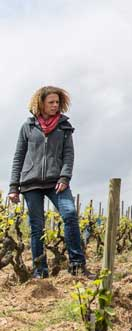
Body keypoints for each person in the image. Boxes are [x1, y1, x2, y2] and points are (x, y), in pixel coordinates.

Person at [7, 86, 93, 278]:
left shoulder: (64, 127)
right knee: (37, 227)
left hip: (57, 182)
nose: (55, 105)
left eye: (57, 102)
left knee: (70, 214)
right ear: (41, 103)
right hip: (31, 183)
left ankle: (77, 266)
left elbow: (69, 155)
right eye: (51, 102)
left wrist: (65, 177)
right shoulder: (27, 127)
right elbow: (18, 156)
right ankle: (40, 272)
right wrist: (14, 187)